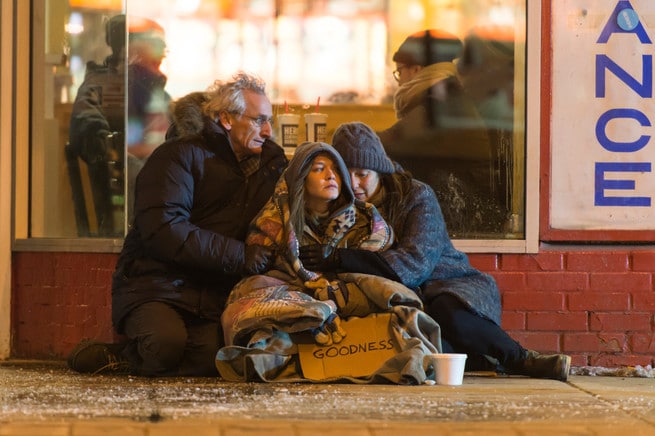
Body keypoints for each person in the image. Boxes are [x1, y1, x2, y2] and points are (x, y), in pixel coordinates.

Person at [300, 121, 571, 381]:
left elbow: (413, 266)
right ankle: (474, 358)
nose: (354, 183)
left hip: (447, 286)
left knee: (447, 313)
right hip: (392, 298)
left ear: (380, 171)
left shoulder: (416, 196)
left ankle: (521, 358)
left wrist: (341, 259)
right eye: (346, 174)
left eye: (362, 174)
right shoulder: (338, 205)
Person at [67, 72, 288, 376]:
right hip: (157, 284)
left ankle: (138, 357)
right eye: (257, 120)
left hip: (211, 292)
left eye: (269, 121)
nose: (268, 130)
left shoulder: (267, 167)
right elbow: (164, 228)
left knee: (219, 358)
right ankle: (128, 355)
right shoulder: (177, 157)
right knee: (165, 345)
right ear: (226, 119)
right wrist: (240, 256)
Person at [216, 141, 440, 384]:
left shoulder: (367, 222)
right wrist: (309, 303)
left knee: (400, 312)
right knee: (248, 307)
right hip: (299, 310)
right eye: (319, 168)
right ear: (300, 178)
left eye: (335, 169)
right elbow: (268, 282)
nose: (331, 175)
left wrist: (337, 293)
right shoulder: (273, 223)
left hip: (353, 305)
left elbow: (378, 277)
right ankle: (313, 331)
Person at [378, 29, 506, 236]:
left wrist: (342, 139)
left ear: (416, 69)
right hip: (463, 210)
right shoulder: (445, 93)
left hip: (468, 219)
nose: (399, 81)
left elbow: (391, 143)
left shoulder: (443, 101)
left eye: (399, 72)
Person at [68, 14, 128, 236]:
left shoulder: (146, 85)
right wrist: (110, 144)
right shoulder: (98, 83)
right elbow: (86, 124)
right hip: (118, 195)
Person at [125, 17, 172, 224]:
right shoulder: (133, 88)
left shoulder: (155, 89)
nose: (163, 49)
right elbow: (131, 145)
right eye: (156, 42)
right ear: (135, 49)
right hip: (148, 180)